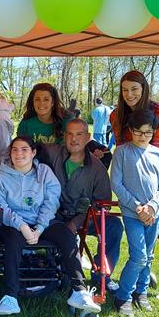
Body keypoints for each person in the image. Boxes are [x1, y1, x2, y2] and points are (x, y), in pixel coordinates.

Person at [0, 136, 101, 316]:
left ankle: (79, 290)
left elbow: (51, 202)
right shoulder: (1, 176)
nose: (19, 153)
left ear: (33, 152)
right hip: (13, 225)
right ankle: (10, 297)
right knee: (12, 241)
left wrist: (40, 228)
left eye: (24, 149)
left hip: (43, 221)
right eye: (15, 149)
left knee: (66, 234)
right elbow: (0, 205)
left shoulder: (44, 172)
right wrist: (22, 227)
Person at [110, 70, 159, 304]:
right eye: (125, 89)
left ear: (144, 89)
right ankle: (138, 276)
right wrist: (138, 205)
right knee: (140, 244)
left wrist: (151, 206)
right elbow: (124, 152)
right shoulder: (116, 115)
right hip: (132, 182)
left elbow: (153, 152)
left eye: (134, 89)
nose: (129, 94)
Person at [38, 119, 123, 292]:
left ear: (88, 137)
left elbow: (102, 204)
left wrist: (77, 222)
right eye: (70, 134)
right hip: (53, 215)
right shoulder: (51, 153)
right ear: (64, 136)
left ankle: (101, 275)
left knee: (114, 226)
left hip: (83, 217)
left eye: (79, 134)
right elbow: (24, 152)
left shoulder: (97, 168)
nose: (74, 139)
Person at [111, 109, 159, 317]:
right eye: (138, 131)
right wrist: (137, 206)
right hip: (132, 214)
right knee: (139, 256)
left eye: (147, 132)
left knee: (149, 255)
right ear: (130, 130)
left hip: (153, 214)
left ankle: (141, 292)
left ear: (154, 132)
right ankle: (123, 297)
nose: (142, 136)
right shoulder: (122, 152)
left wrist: (152, 206)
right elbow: (116, 183)